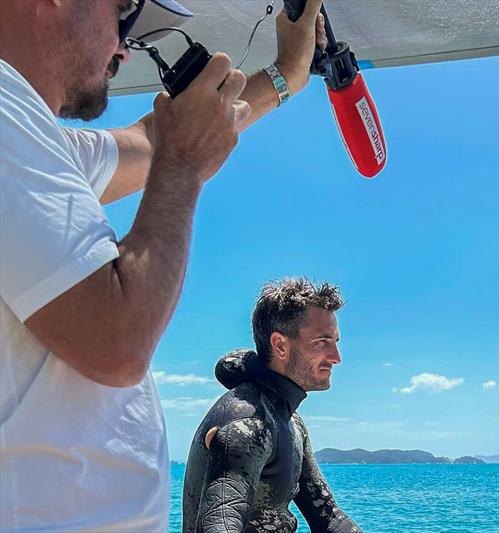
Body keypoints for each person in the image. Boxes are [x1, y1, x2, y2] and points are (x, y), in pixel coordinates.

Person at [0, 0, 326, 530]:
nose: (124, 48)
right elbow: (115, 340)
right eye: (123, 12)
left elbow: (156, 139)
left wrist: (289, 73)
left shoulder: (32, 137)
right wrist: (184, 164)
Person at [182, 278, 361, 532]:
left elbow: (329, 518)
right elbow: (219, 526)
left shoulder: (289, 421)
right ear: (280, 345)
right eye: (323, 342)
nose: (336, 357)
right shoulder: (248, 423)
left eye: (335, 342)